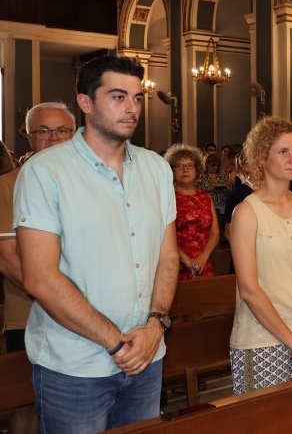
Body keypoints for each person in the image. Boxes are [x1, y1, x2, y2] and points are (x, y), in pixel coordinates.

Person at [13, 56, 179, 431]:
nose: (131, 108)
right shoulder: (45, 173)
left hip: (148, 356)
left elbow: (168, 257)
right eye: (118, 96)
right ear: (85, 102)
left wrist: (155, 327)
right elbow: (39, 277)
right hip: (75, 365)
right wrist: (117, 345)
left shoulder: (156, 168)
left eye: (137, 98)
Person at [229, 116, 292, 394]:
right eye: (282, 151)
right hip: (262, 340)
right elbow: (249, 289)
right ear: (262, 157)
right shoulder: (247, 212)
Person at [0, 104, 75, 354]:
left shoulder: (91, 183)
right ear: (29, 137)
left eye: (62, 130)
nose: (54, 138)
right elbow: (8, 259)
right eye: (43, 131)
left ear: (74, 135)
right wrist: (65, 302)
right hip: (30, 315)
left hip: (91, 315)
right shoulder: (7, 186)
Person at [166, 143, 220, 280]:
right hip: (176, 264)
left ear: (197, 169)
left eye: (189, 165)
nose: (185, 170)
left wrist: (203, 257)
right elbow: (162, 236)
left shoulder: (205, 196)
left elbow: (215, 233)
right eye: (179, 166)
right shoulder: (166, 197)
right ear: (171, 170)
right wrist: (187, 261)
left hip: (204, 263)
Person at [196, 151, 230, 217]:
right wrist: (209, 188)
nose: (215, 167)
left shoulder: (222, 176)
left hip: (222, 208)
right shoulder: (201, 177)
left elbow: (228, 189)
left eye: (218, 165)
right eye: (213, 165)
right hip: (206, 207)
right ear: (207, 164)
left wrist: (227, 189)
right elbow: (196, 191)